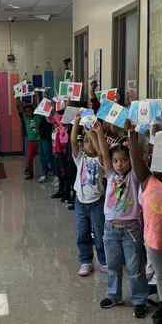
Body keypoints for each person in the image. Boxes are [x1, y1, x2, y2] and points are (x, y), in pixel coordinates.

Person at [94, 125, 149, 317]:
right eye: (116, 161)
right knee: (113, 266)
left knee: (135, 268)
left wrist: (130, 136)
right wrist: (100, 133)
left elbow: (137, 157)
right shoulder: (110, 175)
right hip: (110, 229)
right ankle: (113, 294)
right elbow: (104, 155)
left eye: (124, 161)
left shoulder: (134, 176)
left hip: (131, 230)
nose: (119, 164)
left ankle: (139, 299)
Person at [128, 123, 162, 324]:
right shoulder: (147, 180)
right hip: (152, 239)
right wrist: (132, 136)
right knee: (159, 275)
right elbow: (137, 160)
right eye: (150, 157)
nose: (152, 160)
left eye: (158, 158)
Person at [71, 117, 106, 276]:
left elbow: (100, 150)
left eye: (90, 141)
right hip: (80, 202)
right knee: (82, 232)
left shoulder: (99, 160)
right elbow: (73, 141)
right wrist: (77, 122)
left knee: (99, 233)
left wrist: (91, 133)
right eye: (85, 141)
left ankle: (103, 260)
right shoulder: (80, 158)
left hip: (97, 202)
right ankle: (86, 261)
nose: (88, 143)